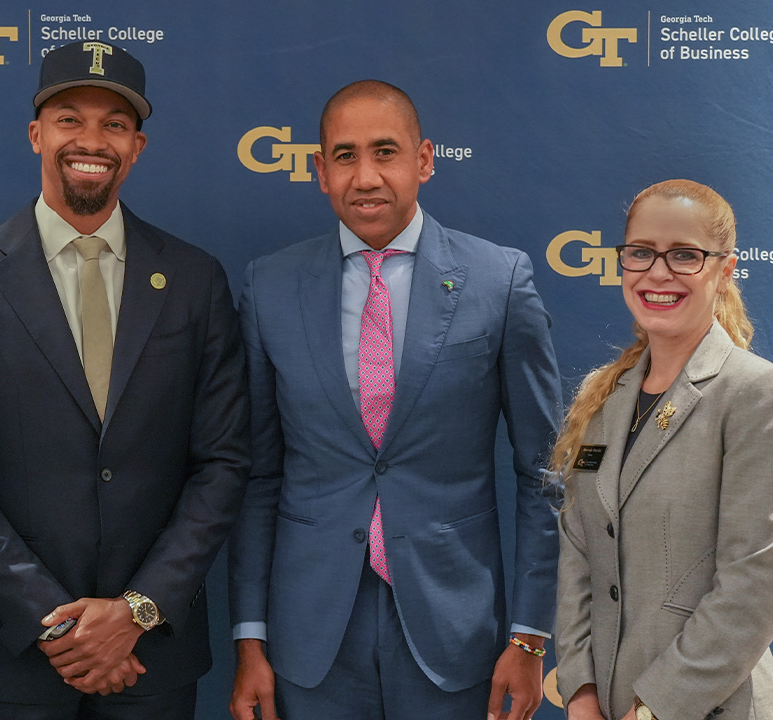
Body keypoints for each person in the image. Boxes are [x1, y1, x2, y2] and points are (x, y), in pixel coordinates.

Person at [0, 40, 249, 720]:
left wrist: (137, 611)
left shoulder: (193, 280)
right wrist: (59, 625)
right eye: (69, 118)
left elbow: (223, 462)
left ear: (138, 146)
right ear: (37, 133)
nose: (91, 139)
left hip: (152, 660)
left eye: (114, 124)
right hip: (19, 661)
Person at [227, 80, 563, 720]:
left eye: (386, 151)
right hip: (312, 636)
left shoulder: (499, 280)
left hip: (455, 631)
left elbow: (543, 473)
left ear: (425, 160)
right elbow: (258, 475)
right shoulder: (269, 286)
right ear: (320, 171)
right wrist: (250, 637)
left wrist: (528, 634)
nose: (367, 176)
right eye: (345, 156)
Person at [552, 180, 773, 720]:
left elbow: (754, 585)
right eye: (641, 252)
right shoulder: (601, 397)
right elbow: (579, 557)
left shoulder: (759, 394)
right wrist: (579, 692)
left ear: (725, 270)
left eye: (685, 256)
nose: (658, 272)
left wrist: (656, 709)